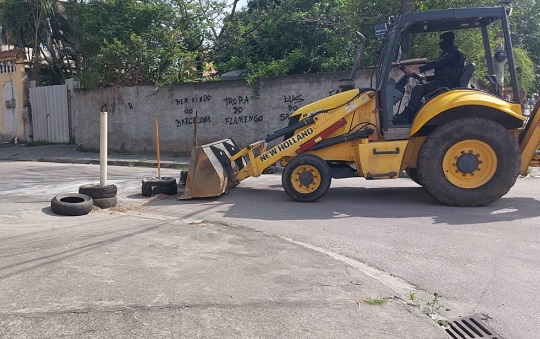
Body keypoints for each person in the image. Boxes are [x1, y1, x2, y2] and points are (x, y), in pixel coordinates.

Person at [393, 31, 465, 124]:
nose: (440, 43)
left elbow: (437, 63)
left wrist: (417, 69)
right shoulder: (450, 53)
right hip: (443, 83)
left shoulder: (452, 54)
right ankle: (412, 115)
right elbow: (443, 74)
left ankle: (406, 116)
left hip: (446, 85)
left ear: (448, 40)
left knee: (418, 89)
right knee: (419, 89)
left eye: (442, 40)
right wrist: (424, 78)